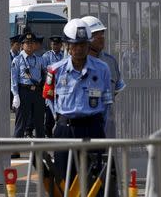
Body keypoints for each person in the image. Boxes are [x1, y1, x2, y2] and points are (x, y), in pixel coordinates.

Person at [43, 19, 112, 189]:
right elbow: (49, 99)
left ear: (88, 45)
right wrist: (59, 120)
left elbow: (107, 103)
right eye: (75, 44)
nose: (79, 48)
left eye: (83, 44)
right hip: (65, 130)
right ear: (67, 45)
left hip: (92, 128)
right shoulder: (55, 70)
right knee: (64, 180)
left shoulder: (102, 69)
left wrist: (98, 125)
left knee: (94, 181)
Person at [82, 15, 125, 196]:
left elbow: (116, 88)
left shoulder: (110, 61)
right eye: (96, 34)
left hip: (107, 123)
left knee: (107, 166)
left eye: (102, 34)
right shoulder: (75, 62)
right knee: (83, 168)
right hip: (83, 125)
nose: (101, 38)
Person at [11, 31, 45, 142]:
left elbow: (45, 73)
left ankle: (41, 151)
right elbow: (14, 79)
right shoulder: (17, 60)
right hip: (24, 92)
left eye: (32, 43)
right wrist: (16, 95)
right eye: (27, 43)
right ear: (22, 45)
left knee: (39, 122)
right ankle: (15, 148)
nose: (29, 45)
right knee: (21, 122)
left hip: (37, 92)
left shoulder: (40, 59)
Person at [41, 35, 64, 137]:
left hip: (62, 86)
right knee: (49, 113)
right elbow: (44, 69)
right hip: (50, 86)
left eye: (57, 44)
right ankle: (48, 134)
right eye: (53, 44)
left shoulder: (64, 56)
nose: (55, 46)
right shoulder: (46, 56)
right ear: (51, 45)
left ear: (60, 45)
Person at [9, 35, 21, 111]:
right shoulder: (7, 56)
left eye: (19, 44)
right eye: (17, 44)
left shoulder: (20, 56)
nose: (19, 46)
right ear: (12, 45)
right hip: (9, 80)